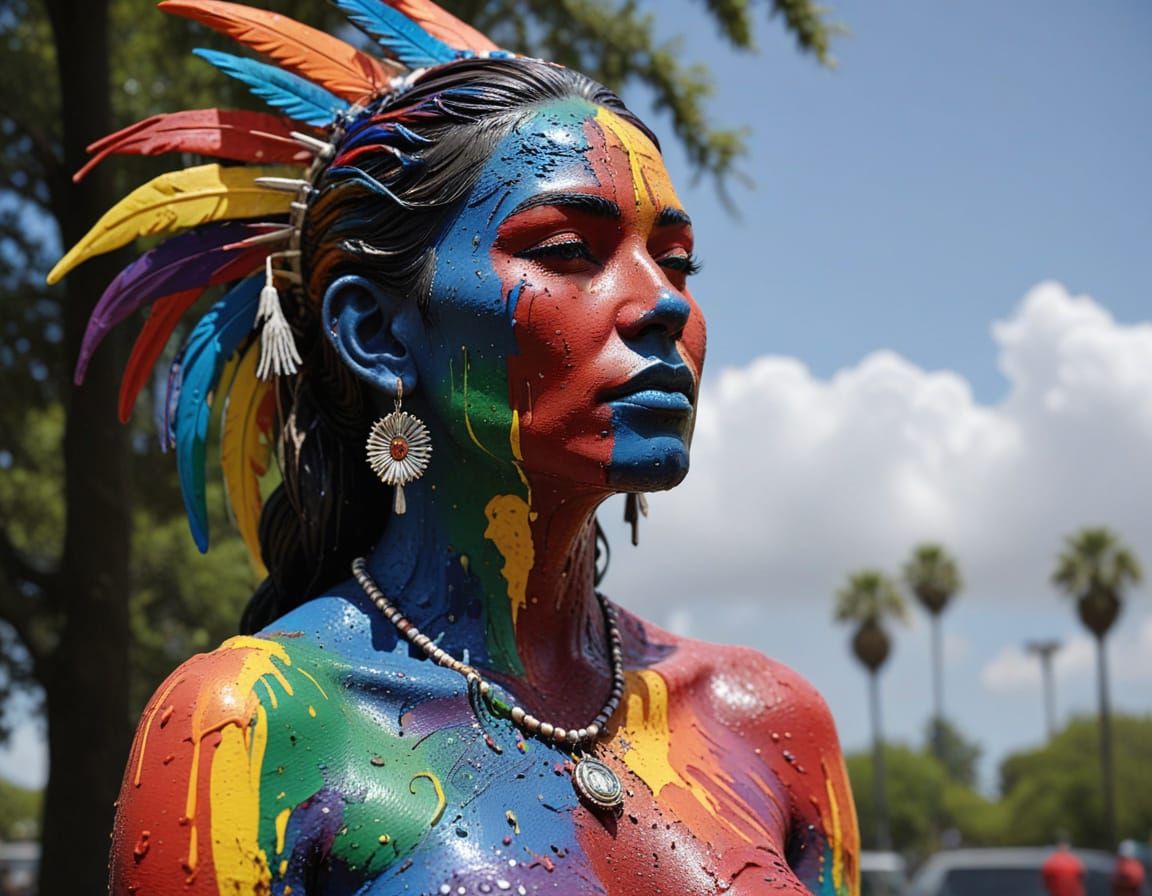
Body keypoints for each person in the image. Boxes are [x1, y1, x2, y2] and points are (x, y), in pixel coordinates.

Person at [55, 2, 859, 893]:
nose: (663, 303)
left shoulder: (771, 722)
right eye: (566, 249)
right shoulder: (248, 729)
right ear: (375, 330)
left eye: (677, 261)